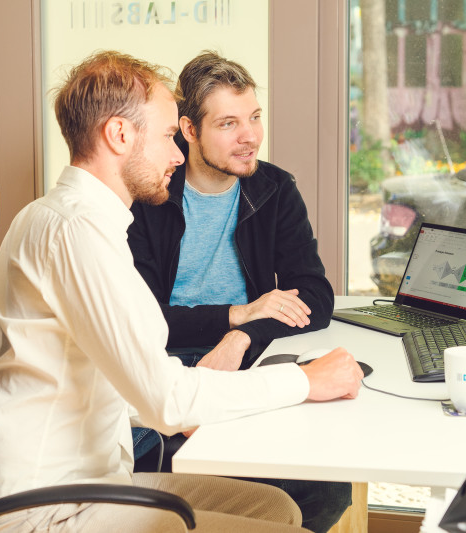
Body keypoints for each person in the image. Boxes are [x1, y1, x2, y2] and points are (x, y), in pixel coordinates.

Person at [0, 50, 363, 533]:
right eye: (170, 135)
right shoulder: (75, 233)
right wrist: (306, 382)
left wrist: (212, 396)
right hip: (45, 510)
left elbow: (119, 378)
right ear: (120, 134)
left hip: (91, 481)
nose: (178, 153)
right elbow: (166, 400)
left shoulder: (83, 220)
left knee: (276, 511)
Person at [127, 51, 351, 532]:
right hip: (165, 371)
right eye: (228, 123)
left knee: (329, 486)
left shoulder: (273, 189)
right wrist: (235, 315)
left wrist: (244, 336)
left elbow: (314, 294)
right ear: (189, 130)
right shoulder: (150, 198)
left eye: (253, 117)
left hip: (244, 362)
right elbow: (142, 319)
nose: (249, 136)